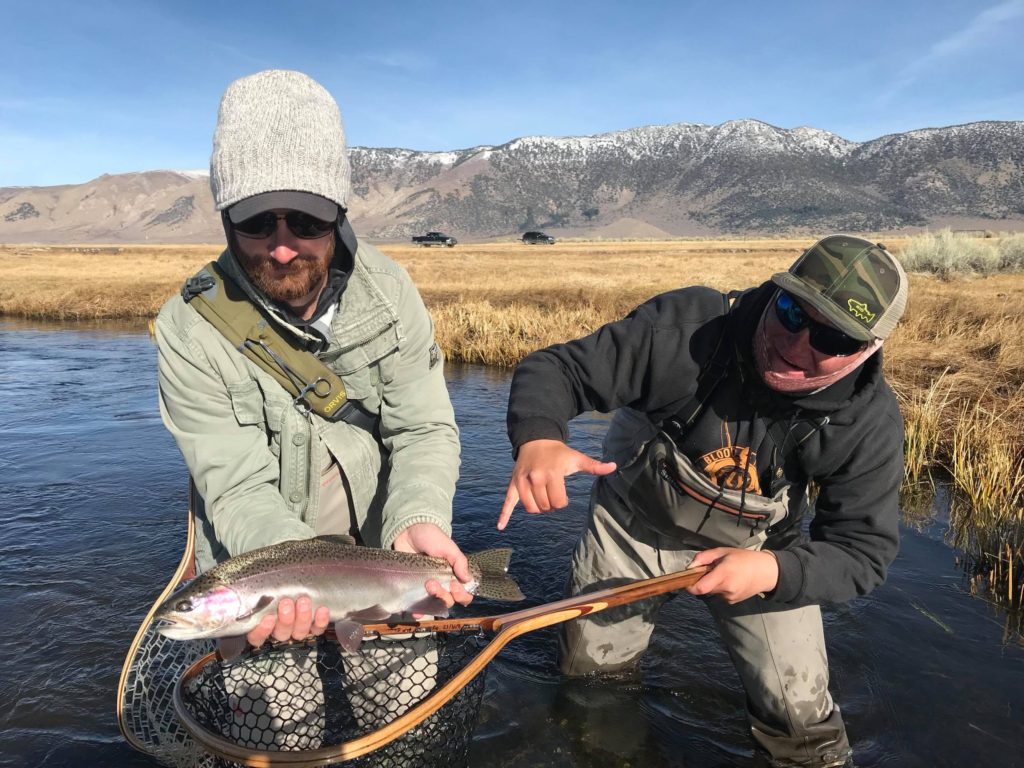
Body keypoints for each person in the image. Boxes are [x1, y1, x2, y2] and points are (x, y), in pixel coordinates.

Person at [498, 235, 908, 768]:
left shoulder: (867, 423)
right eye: (790, 311)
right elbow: (558, 369)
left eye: (830, 337)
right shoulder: (688, 328)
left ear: (868, 349)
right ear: (776, 290)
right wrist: (538, 439)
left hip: (762, 554)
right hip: (631, 529)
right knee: (591, 685)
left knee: (803, 723)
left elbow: (863, 552)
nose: (796, 341)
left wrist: (770, 572)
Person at [155, 69, 472, 652]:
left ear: (338, 215)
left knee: (396, 699)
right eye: (255, 222)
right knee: (275, 725)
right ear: (226, 219)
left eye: (306, 221)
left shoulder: (389, 292)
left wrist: (417, 518)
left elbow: (423, 428)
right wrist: (287, 574)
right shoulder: (189, 325)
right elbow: (235, 484)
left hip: (382, 556)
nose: (281, 247)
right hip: (253, 552)